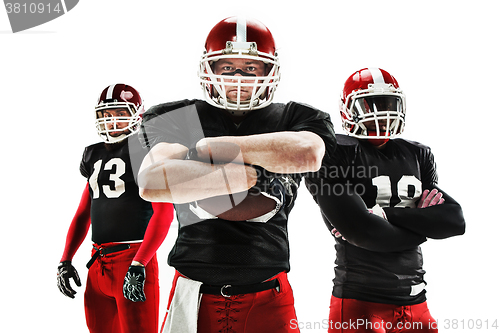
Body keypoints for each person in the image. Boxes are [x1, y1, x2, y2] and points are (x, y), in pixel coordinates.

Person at [137, 17, 336, 333]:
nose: (239, 78)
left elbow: (307, 154)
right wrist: (242, 176)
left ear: (270, 72)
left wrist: (208, 149)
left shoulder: (297, 116)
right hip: (194, 294)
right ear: (209, 70)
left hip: (269, 292)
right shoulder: (175, 115)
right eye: (227, 68)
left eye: (251, 68)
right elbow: (153, 181)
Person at [305, 68, 465, 333]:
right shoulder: (336, 153)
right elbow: (365, 232)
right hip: (360, 301)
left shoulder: (417, 153)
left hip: (416, 300)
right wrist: (423, 226)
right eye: (372, 104)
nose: (382, 112)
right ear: (349, 109)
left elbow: (454, 221)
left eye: (388, 103)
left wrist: (385, 215)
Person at [56, 84, 174, 333]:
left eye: (119, 114)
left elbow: (164, 213)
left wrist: (140, 263)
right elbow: (83, 213)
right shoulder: (93, 154)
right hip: (98, 262)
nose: (111, 122)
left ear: (136, 114)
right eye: (106, 116)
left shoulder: (148, 150)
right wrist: (66, 259)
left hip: (132, 257)